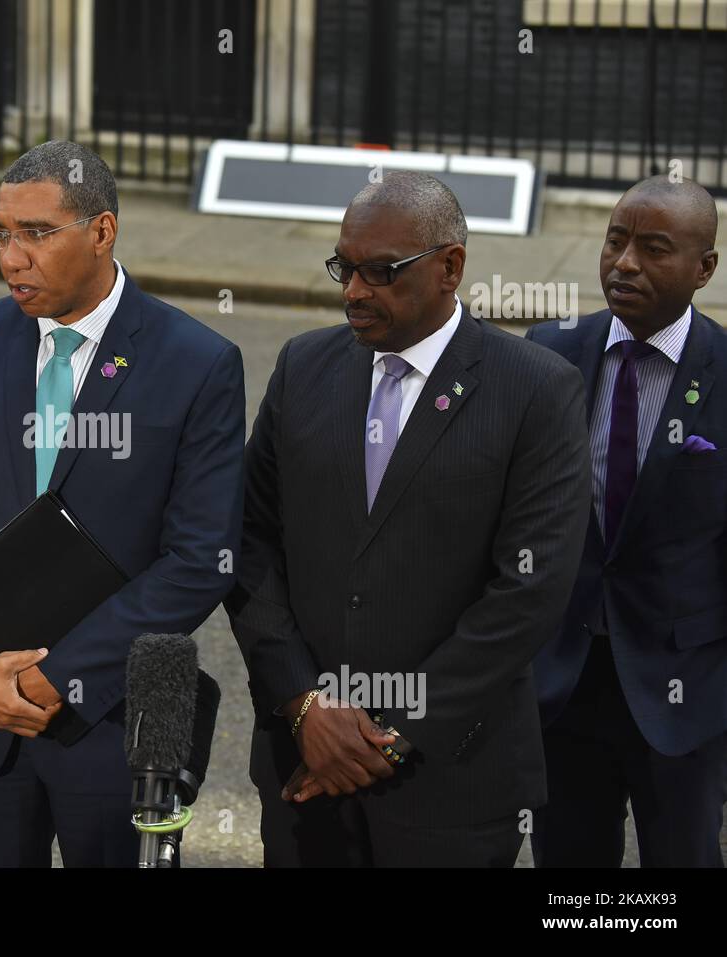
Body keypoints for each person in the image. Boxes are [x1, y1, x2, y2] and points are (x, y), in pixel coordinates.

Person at [226, 171, 592, 867]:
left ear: (450, 267)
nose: (354, 291)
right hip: (304, 770)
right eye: (344, 267)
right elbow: (249, 539)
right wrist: (304, 705)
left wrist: (391, 736)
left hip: (453, 783)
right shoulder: (305, 365)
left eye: (380, 271)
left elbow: (528, 592)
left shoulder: (536, 390)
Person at [0, 140, 244, 867]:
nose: (11, 257)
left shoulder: (198, 362)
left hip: (113, 728)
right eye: (2, 232)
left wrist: (51, 676)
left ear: (102, 231)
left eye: (35, 233)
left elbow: (199, 559)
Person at [526, 177, 726, 867]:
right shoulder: (550, 354)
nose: (625, 262)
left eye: (654, 248)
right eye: (616, 240)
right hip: (565, 682)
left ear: (705, 268)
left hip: (686, 694)